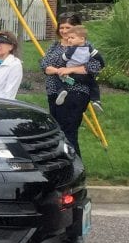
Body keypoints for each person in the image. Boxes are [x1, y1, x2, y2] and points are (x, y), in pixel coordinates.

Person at [40, 14, 103, 156]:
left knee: (68, 131)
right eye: (61, 27)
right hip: (54, 92)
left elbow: (95, 66)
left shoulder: (84, 46)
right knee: (57, 130)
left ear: (76, 29)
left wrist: (69, 69)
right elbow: (44, 65)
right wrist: (58, 71)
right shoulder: (55, 46)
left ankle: (75, 165)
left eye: (68, 27)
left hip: (76, 92)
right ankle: (61, 163)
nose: (64, 31)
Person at [56, 25, 103, 110]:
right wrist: (102, 63)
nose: (69, 40)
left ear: (82, 39)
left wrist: (63, 64)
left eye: (72, 38)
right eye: (69, 38)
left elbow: (63, 59)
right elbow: (98, 57)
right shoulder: (89, 48)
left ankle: (62, 90)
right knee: (93, 85)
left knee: (61, 78)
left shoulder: (71, 50)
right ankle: (96, 100)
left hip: (72, 75)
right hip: (85, 76)